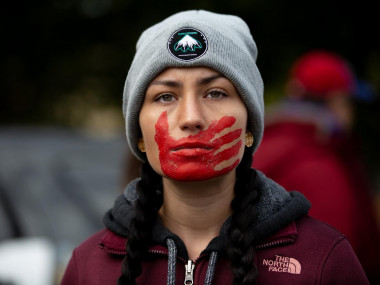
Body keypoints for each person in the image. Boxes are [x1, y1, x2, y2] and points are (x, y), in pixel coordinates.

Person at [61, 11, 369, 284]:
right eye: (165, 96)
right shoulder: (88, 267)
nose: (191, 118)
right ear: (138, 133)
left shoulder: (323, 259)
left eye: (216, 93)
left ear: (250, 125)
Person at [253, 50, 380, 282]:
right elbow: (339, 257)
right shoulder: (320, 163)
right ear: (337, 102)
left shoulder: (265, 145)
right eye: (349, 102)